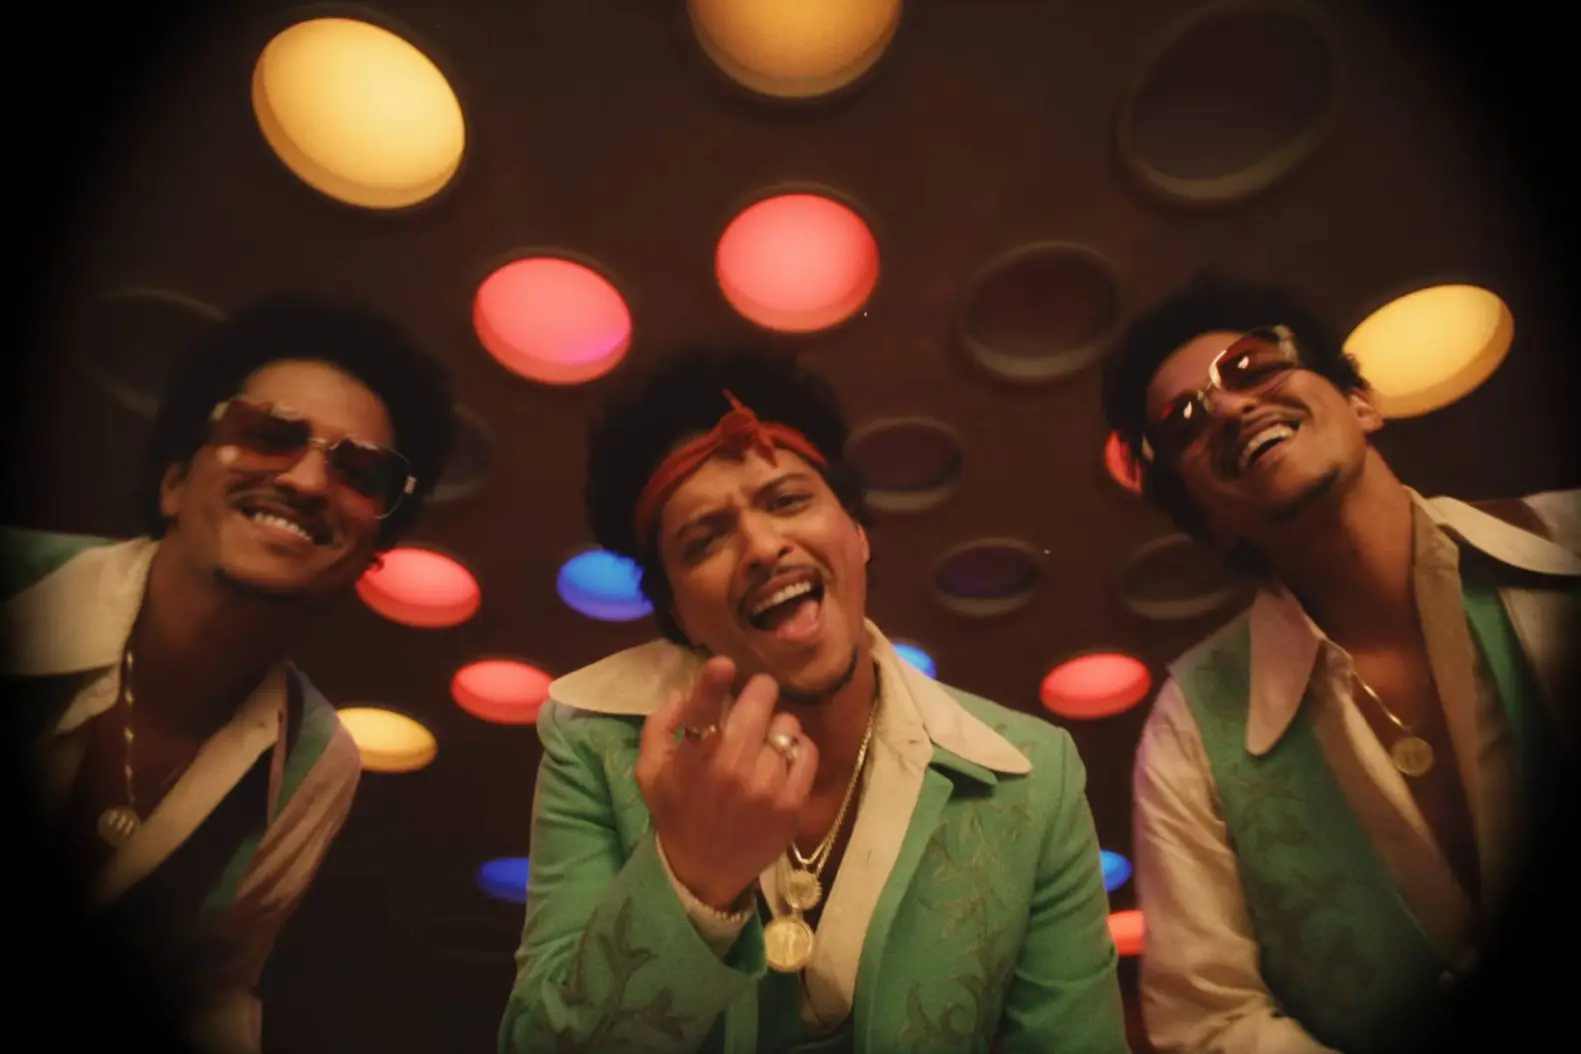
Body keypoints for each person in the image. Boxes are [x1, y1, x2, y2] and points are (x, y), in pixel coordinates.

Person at [498, 347, 1129, 1053]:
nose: (762, 546)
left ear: (856, 534)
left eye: (787, 501)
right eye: (705, 540)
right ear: (676, 613)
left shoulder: (1034, 776)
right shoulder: (593, 743)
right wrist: (691, 880)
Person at [1100, 272, 1578, 1053]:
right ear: (1210, 522)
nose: (1227, 406)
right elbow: (1207, 1020)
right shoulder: (1189, 731)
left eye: (1251, 366)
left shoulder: (1568, 540)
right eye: (1184, 420)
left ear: (1361, 403)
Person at [2, 292, 456, 1054]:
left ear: (367, 560)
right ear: (175, 481)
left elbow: (209, 990)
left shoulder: (316, 761)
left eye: (358, 471)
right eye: (268, 434)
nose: (308, 482)